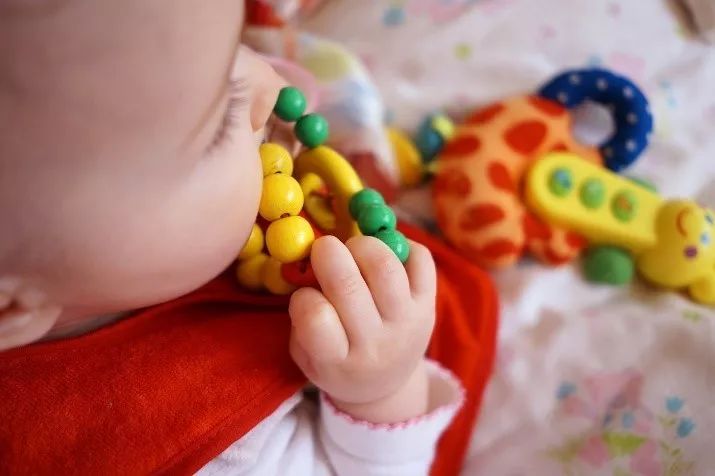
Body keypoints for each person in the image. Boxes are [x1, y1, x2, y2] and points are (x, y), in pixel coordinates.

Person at [0, 1, 497, 474]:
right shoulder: (212, 456)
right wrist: (381, 393)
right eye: (217, 126)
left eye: (239, 51)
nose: (268, 83)